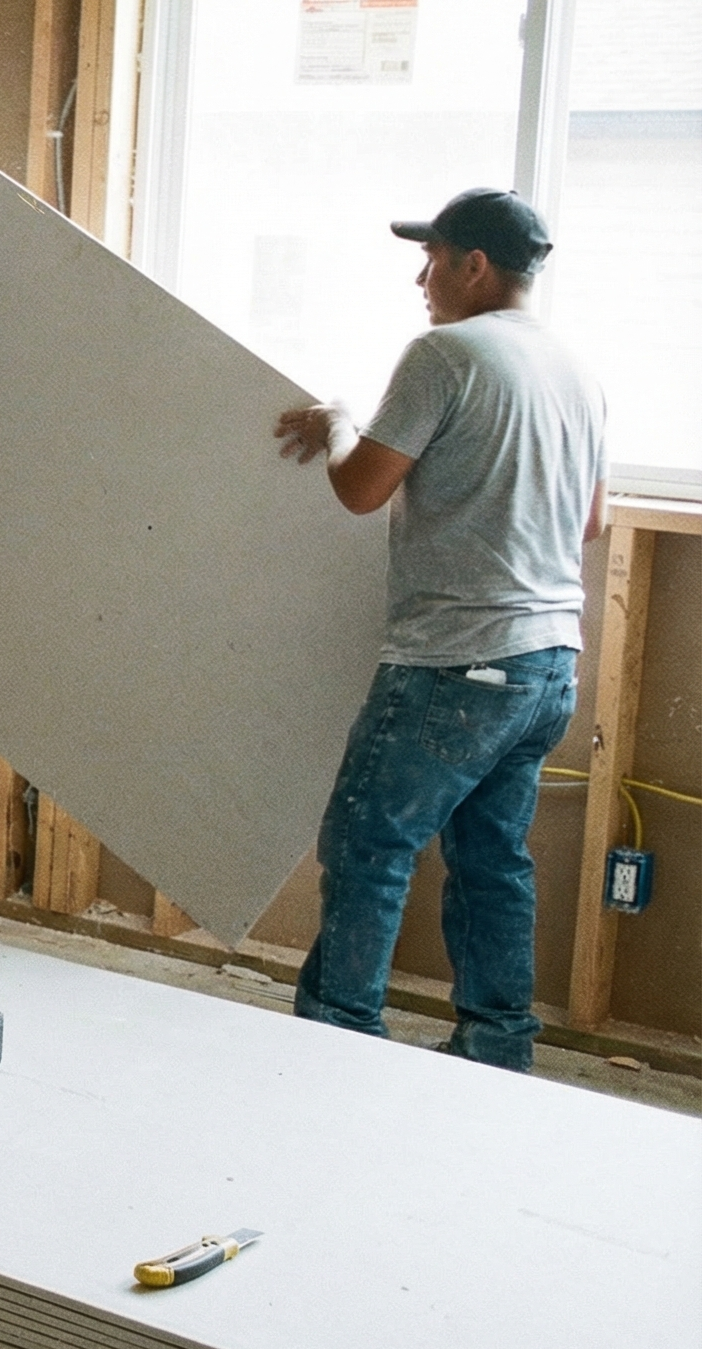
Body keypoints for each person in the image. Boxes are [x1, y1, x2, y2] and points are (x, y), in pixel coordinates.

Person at [273, 188, 606, 1071]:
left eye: (432, 260)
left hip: (456, 663)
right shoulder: (575, 370)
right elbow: (592, 522)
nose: (421, 280)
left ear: (475, 265)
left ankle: (340, 1042)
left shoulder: (446, 354)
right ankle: (497, 1047)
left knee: (367, 845)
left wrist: (339, 423)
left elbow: (360, 488)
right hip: (549, 662)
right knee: (493, 858)